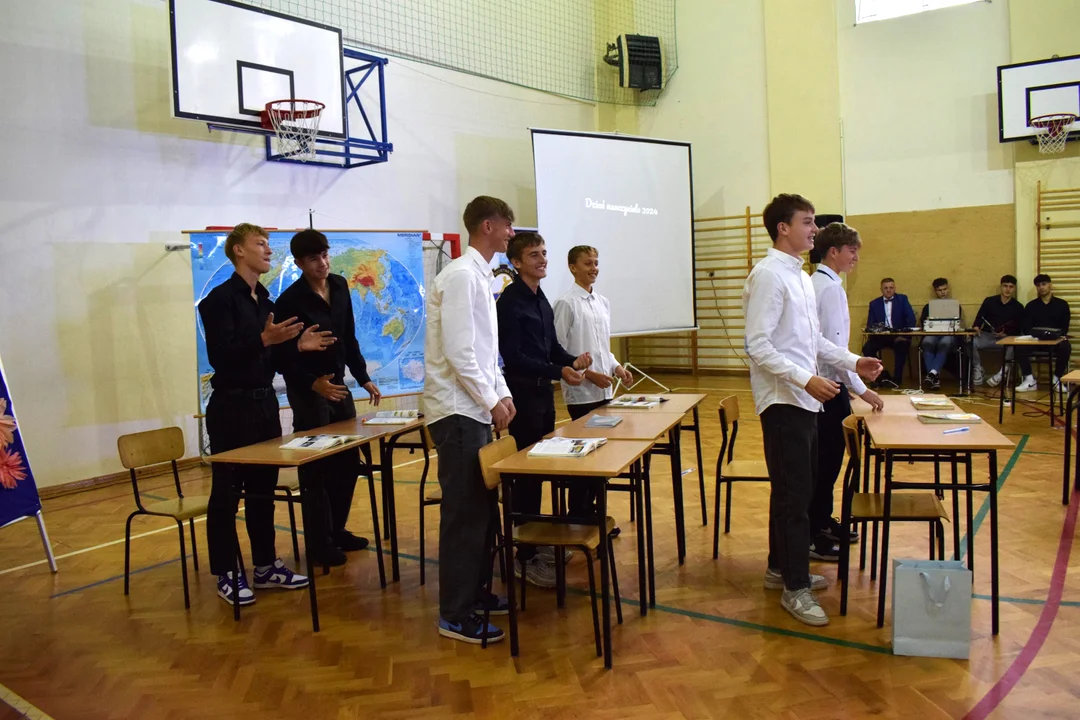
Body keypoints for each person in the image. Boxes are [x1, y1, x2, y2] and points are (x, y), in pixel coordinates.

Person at [743, 194, 881, 628]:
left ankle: (779, 568)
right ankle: (795, 587)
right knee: (794, 496)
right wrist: (805, 379)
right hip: (783, 400)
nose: (814, 230)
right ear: (783, 228)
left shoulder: (800, 276)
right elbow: (757, 345)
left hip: (804, 399)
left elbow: (813, 341)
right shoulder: (769, 275)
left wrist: (853, 361)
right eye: (807, 222)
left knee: (794, 492)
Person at [198, 223, 335, 606]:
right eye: (260, 244)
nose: (269, 251)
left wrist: (297, 347)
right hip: (231, 407)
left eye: (268, 244)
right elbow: (221, 357)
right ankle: (227, 571)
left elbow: (271, 358)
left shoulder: (265, 302)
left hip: (264, 406)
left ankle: (265, 565)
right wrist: (263, 339)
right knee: (226, 493)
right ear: (238, 251)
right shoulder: (218, 300)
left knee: (262, 490)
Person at [424, 196, 516, 645]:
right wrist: (490, 399)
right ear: (487, 226)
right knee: (463, 515)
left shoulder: (480, 275)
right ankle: (455, 614)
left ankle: (476, 593)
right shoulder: (462, 275)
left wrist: (502, 393)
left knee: (480, 511)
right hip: (458, 410)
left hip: (473, 408)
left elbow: (485, 350)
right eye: (507, 225)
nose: (511, 233)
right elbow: (460, 352)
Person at [274, 229, 382, 567]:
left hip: (338, 387)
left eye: (324, 255)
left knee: (347, 463)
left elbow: (348, 336)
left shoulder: (339, 285)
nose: (322, 263)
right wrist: (312, 384)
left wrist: (363, 377)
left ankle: (337, 530)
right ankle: (318, 543)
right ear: (298, 263)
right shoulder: (290, 301)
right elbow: (281, 358)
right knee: (316, 469)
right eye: (313, 259)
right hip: (309, 392)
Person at [497, 231, 591, 588]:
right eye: (534, 255)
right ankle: (524, 556)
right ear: (516, 262)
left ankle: (535, 542)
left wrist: (573, 361)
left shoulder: (541, 299)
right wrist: (558, 370)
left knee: (540, 470)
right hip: (522, 398)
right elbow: (514, 357)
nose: (542, 260)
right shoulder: (510, 303)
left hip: (543, 398)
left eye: (544, 253)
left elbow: (552, 350)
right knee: (525, 476)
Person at [809, 222, 882, 563]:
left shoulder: (823, 283)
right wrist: (861, 388)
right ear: (833, 252)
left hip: (829, 385)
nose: (856, 257)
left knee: (827, 462)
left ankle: (822, 520)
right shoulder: (827, 289)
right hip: (826, 388)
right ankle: (815, 530)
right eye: (851, 251)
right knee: (825, 463)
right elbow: (832, 348)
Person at [553, 245, 633, 519]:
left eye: (596, 262)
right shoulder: (566, 303)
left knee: (601, 455)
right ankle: (579, 514)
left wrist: (616, 367)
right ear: (572, 267)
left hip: (604, 391)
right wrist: (588, 374)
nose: (594, 268)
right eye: (587, 263)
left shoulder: (602, 302)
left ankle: (595, 514)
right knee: (584, 456)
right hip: (581, 393)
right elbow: (558, 351)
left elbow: (602, 348)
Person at [1014, 274, 1072, 393]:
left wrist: (1054, 335)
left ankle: (1057, 379)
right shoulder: (1031, 306)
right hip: (1036, 341)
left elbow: (1064, 328)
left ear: (1050, 285)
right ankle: (1029, 380)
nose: (1041, 287)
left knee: (1066, 347)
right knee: (1019, 347)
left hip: (1055, 341)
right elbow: (1027, 328)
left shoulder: (1062, 305)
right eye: (1038, 285)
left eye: (1044, 284)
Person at [971, 275, 1025, 388]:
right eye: (1005, 286)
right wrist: (976, 327)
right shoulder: (989, 301)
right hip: (988, 335)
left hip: (1005, 338)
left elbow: (1019, 328)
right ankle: (978, 368)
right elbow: (979, 318)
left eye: (1011, 287)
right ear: (1001, 287)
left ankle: (1002, 373)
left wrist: (1006, 333)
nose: (1008, 289)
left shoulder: (1018, 307)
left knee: (1013, 345)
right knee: (971, 341)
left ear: (1014, 289)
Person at [862, 278, 916, 388]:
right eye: (886, 288)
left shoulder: (902, 299)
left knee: (902, 346)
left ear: (895, 288)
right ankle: (882, 374)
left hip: (898, 335)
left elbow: (911, 319)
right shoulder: (874, 304)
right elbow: (870, 324)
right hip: (882, 336)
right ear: (881, 289)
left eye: (891, 288)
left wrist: (904, 335)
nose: (889, 290)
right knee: (867, 348)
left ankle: (897, 380)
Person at [918, 278, 964, 391]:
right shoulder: (928, 307)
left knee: (945, 342)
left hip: (949, 334)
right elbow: (923, 323)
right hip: (933, 334)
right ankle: (935, 377)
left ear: (948, 289)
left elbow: (957, 323)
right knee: (926, 342)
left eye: (945, 289)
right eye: (939, 290)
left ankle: (932, 374)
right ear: (935, 291)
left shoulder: (955, 305)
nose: (943, 292)